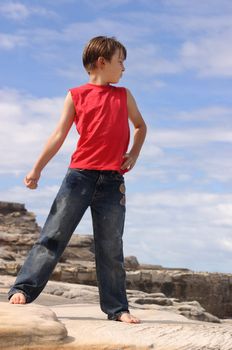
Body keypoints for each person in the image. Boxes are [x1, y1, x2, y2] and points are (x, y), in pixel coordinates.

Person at [8, 36, 147, 324]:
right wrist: (37, 169)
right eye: (120, 61)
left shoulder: (124, 95)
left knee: (110, 245)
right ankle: (23, 288)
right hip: (79, 176)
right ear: (102, 62)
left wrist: (133, 153)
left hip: (112, 181)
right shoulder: (75, 95)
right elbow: (59, 135)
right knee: (53, 235)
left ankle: (117, 308)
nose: (123, 67)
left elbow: (140, 126)